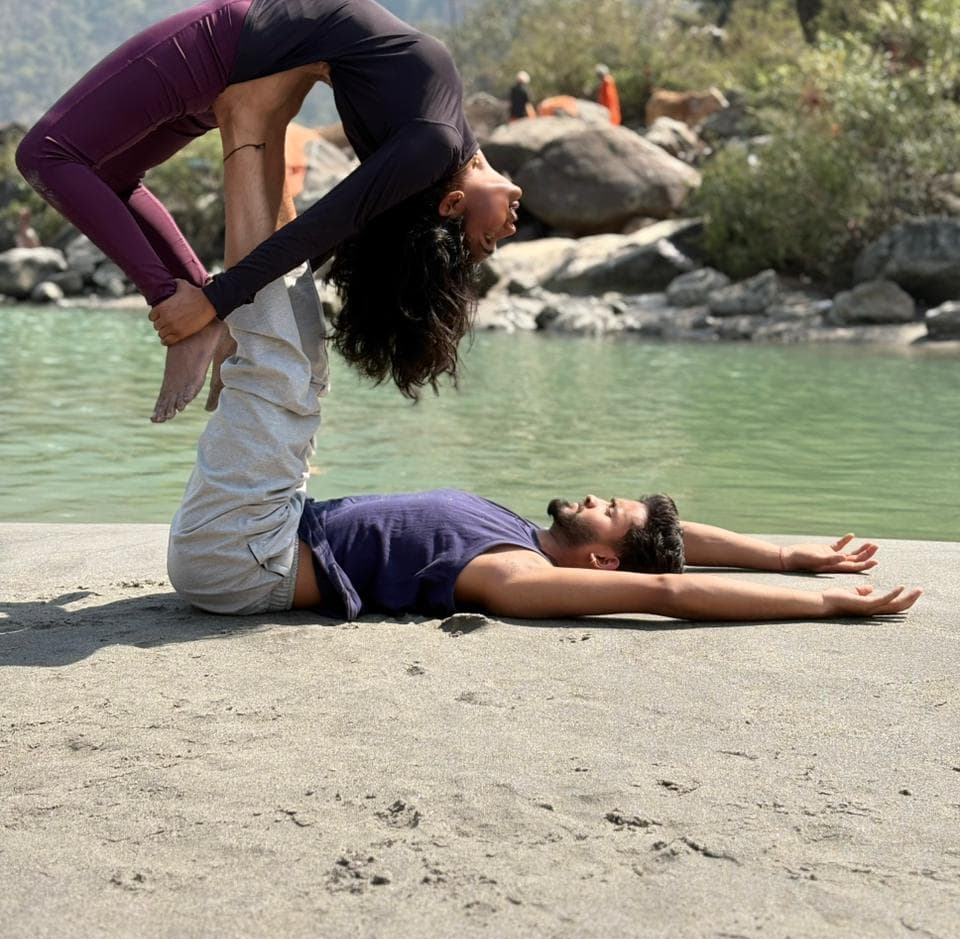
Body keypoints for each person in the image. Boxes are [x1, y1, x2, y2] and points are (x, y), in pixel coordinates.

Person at [167, 143, 922, 625]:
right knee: (299, 335)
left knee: (277, 365)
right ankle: (261, 162)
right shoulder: (519, 531)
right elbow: (670, 545)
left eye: (609, 512)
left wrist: (817, 603)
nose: (597, 496)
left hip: (243, 555)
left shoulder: (516, 575)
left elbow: (665, 591)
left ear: (598, 563)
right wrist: (789, 556)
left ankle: (250, 127)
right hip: (273, 522)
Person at [16, 0, 521, 423]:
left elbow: (319, 228)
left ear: (453, 206)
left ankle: (177, 308)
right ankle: (190, 316)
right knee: (116, 174)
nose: (510, 229)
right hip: (245, 58)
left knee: (45, 154)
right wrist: (219, 303)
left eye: (488, 241)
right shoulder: (441, 138)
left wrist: (214, 302)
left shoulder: (434, 143)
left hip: (231, 42)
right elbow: (325, 233)